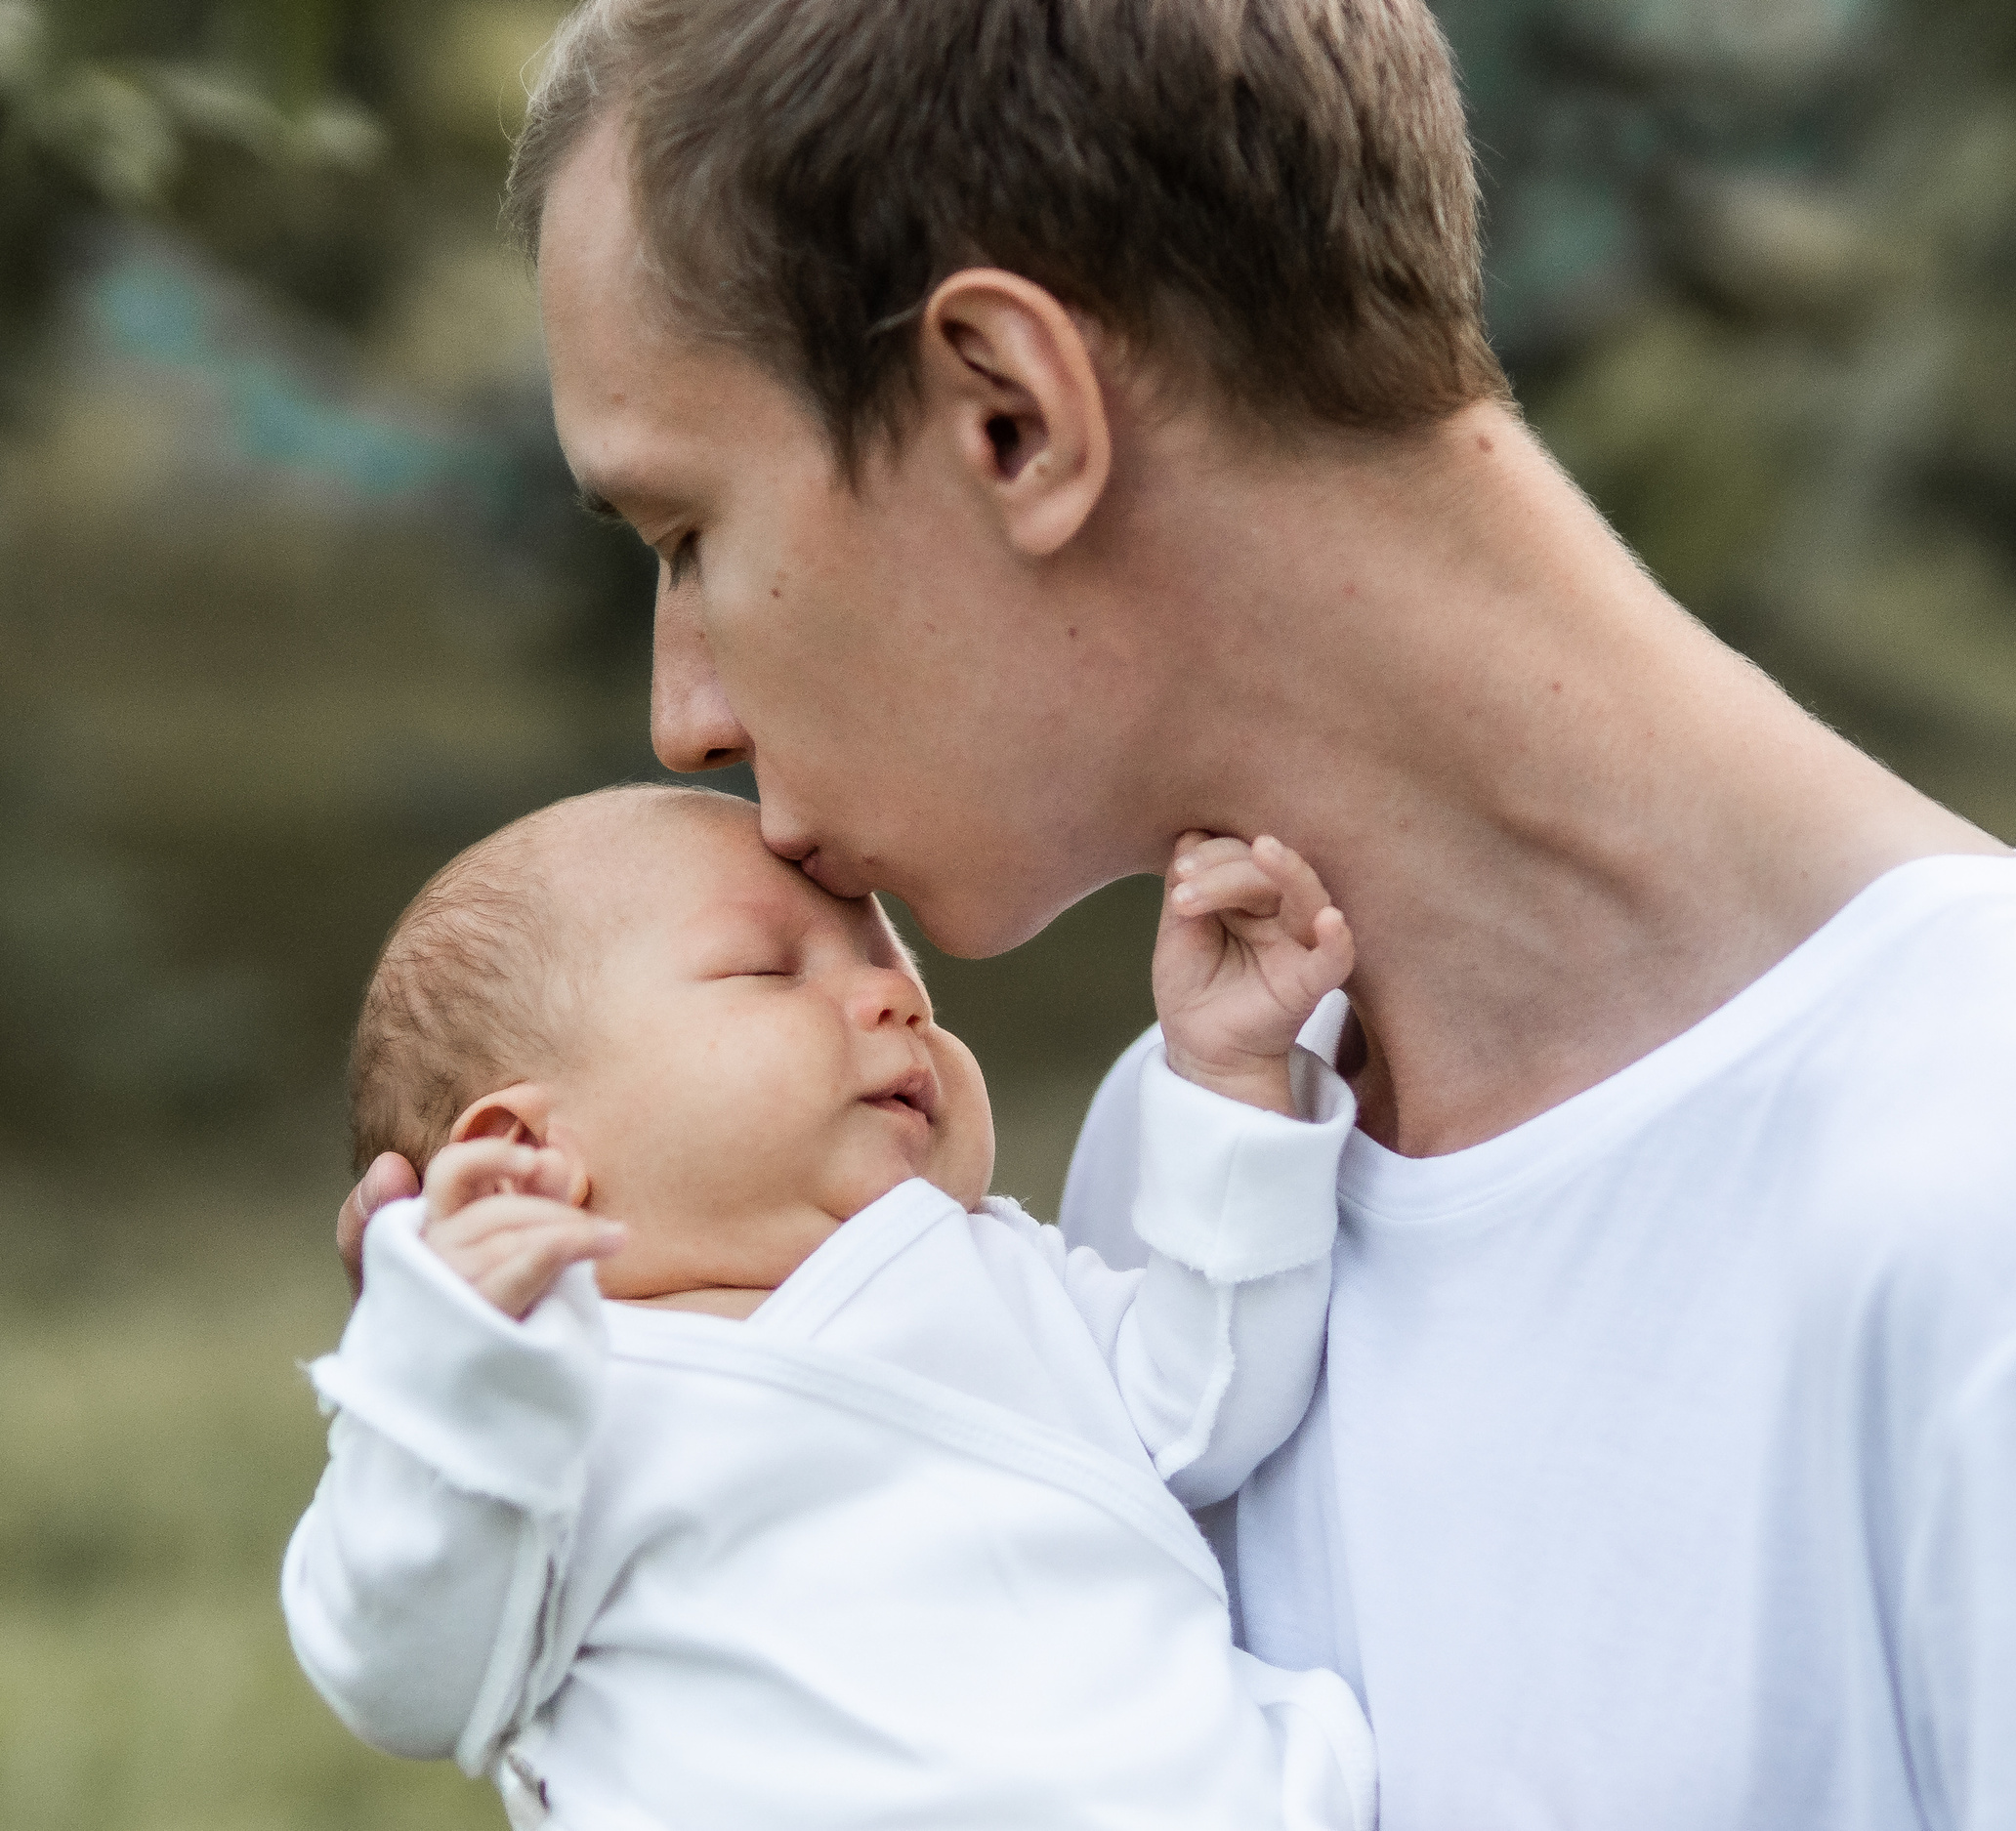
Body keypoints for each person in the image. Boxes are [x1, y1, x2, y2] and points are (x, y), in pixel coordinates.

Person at [340, 3, 2016, 1825]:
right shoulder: (1182, 1165)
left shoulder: (1969, 1190)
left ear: (1011, 416)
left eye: (685, 533)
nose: (687, 718)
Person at [286, 785, 1373, 1828]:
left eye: (906, 983)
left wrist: (1230, 1080)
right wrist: (447, 1385)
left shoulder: (994, 1274)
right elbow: (400, 1679)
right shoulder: (540, 1407)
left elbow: (1212, 1403)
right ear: (525, 1157)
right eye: (767, 969)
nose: (895, 998)